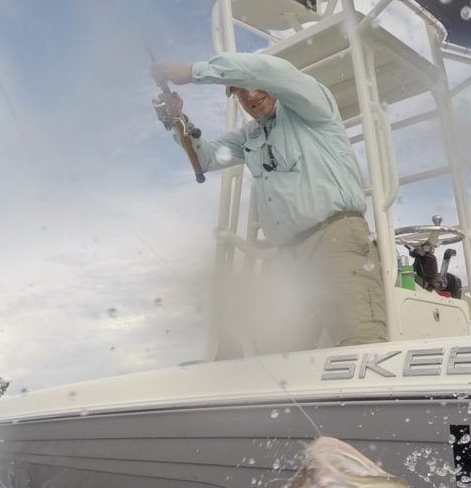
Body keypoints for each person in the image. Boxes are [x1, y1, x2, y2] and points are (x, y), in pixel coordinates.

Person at [152, 53, 386, 354]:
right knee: (276, 359)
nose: (251, 95)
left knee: (362, 348)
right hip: (285, 258)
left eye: (254, 85)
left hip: (336, 241)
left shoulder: (310, 105)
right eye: (239, 91)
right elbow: (208, 158)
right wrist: (178, 122)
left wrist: (193, 72)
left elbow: (271, 70)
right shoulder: (248, 136)